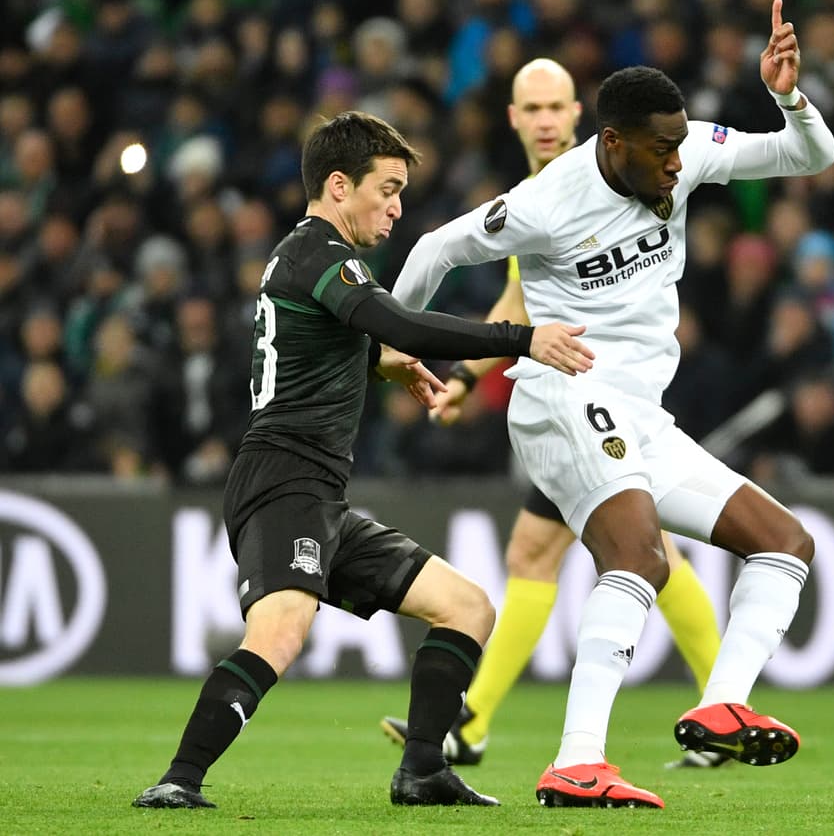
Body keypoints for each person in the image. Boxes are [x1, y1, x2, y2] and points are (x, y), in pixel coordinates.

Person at [392, 0, 834, 809]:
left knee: (785, 541)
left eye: (680, 144)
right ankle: (576, 760)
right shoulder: (546, 203)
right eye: (660, 150)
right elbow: (433, 250)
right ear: (613, 143)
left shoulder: (688, 150)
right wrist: (396, 345)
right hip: (562, 393)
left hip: (641, 410)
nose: (677, 164)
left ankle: (719, 701)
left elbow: (809, 155)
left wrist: (787, 96)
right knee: (639, 556)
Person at [132, 110, 594, 811]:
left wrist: (381, 364)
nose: (398, 207)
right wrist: (522, 339)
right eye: (388, 189)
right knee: (282, 630)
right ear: (339, 185)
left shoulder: (309, 258)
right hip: (282, 479)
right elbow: (401, 320)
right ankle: (178, 780)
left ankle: (422, 770)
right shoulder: (320, 253)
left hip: (319, 492)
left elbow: (340, 344)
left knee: (466, 607)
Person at [378, 58, 725, 771]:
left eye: (554, 107)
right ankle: (720, 705)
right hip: (571, 396)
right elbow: (519, 306)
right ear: (512, 118)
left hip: (600, 398)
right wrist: (468, 381)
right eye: (529, 107)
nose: (542, 119)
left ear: (580, 119)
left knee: (567, 551)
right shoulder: (535, 196)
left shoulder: (591, 187)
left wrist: (456, 370)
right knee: (607, 549)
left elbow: (529, 305)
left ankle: (475, 719)